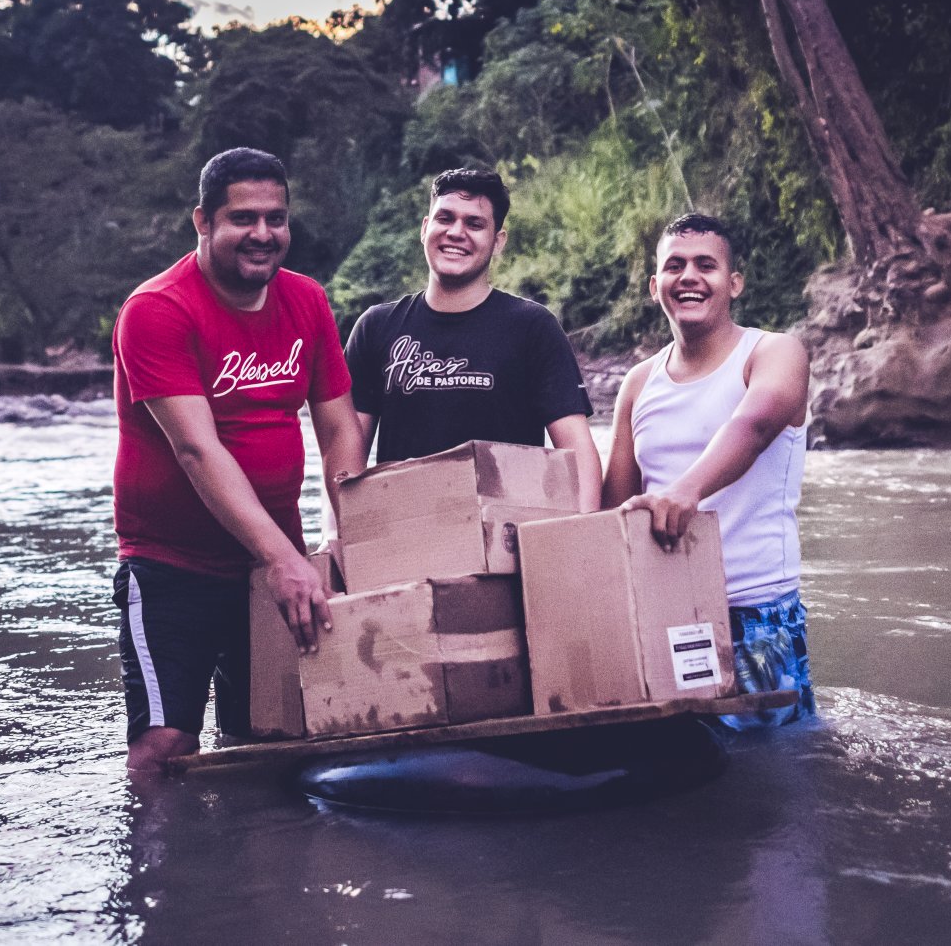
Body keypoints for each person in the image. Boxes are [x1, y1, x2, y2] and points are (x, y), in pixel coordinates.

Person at [111, 146, 368, 776]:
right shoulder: (158, 310)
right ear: (202, 221)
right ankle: (161, 874)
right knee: (164, 748)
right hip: (173, 569)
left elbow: (339, 431)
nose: (262, 235)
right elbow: (198, 450)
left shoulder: (306, 301)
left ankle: (258, 872)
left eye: (275, 219)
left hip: (274, 569)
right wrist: (282, 558)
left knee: (272, 742)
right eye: (243, 219)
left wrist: (353, 541)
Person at [602, 211, 815, 726]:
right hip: (662, 614)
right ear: (656, 287)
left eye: (706, 265)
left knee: (772, 777)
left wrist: (686, 490)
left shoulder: (773, 352)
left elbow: (756, 424)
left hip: (755, 615)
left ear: (733, 282)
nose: (689, 277)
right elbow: (613, 507)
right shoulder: (637, 383)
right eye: (675, 266)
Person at [342, 166, 601, 506]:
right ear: (425, 229)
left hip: (507, 542)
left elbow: (577, 451)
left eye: (474, 224)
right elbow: (344, 452)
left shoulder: (533, 327)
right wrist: (336, 540)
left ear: (498, 242)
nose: (456, 232)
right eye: (445, 218)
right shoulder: (376, 327)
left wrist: (579, 536)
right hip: (405, 540)